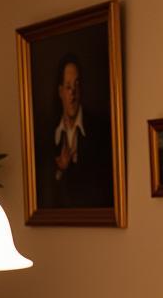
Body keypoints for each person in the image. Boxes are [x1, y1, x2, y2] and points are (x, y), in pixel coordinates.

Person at [40, 52, 113, 210]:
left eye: (76, 85)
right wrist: (60, 170)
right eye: (68, 87)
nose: (72, 93)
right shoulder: (48, 135)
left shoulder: (100, 129)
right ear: (60, 92)